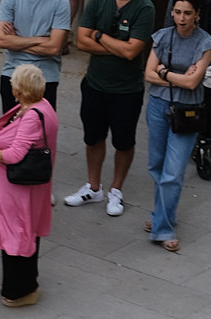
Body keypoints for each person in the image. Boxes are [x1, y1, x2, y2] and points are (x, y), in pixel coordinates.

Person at [63, 0, 152, 215]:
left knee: (124, 142)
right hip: (95, 83)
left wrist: (99, 35)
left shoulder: (145, 7)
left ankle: (116, 190)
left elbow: (132, 51)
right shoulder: (98, 2)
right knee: (93, 137)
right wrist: (118, 46)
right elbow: (81, 42)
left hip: (127, 89)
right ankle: (93, 187)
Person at [144, 0, 211, 251]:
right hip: (157, 105)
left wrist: (164, 74)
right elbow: (148, 74)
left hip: (188, 111)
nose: (182, 18)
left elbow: (192, 83)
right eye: (177, 12)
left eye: (187, 13)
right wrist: (178, 77)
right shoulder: (163, 36)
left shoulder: (205, 43)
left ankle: (163, 228)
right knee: (157, 165)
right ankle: (162, 215)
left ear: (197, 14)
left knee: (173, 171)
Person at [0, 65, 55, 307]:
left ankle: (18, 291)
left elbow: (14, 155)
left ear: (19, 91)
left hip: (18, 189)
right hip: (29, 188)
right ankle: (25, 285)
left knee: (16, 236)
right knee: (26, 233)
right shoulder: (42, 106)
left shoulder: (32, 115)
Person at [0, 0, 66, 108]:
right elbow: (2, 41)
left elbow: (53, 48)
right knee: (11, 124)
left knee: (39, 123)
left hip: (44, 78)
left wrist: (17, 41)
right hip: (12, 74)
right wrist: (41, 40)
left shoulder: (61, 2)